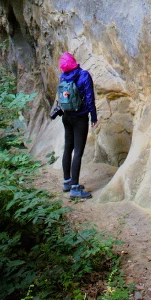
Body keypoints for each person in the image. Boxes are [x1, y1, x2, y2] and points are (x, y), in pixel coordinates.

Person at [53, 51, 98, 199]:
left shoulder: (63, 77)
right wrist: (93, 117)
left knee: (68, 148)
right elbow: (90, 98)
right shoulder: (84, 75)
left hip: (67, 116)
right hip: (80, 118)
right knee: (78, 151)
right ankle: (75, 188)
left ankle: (67, 182)